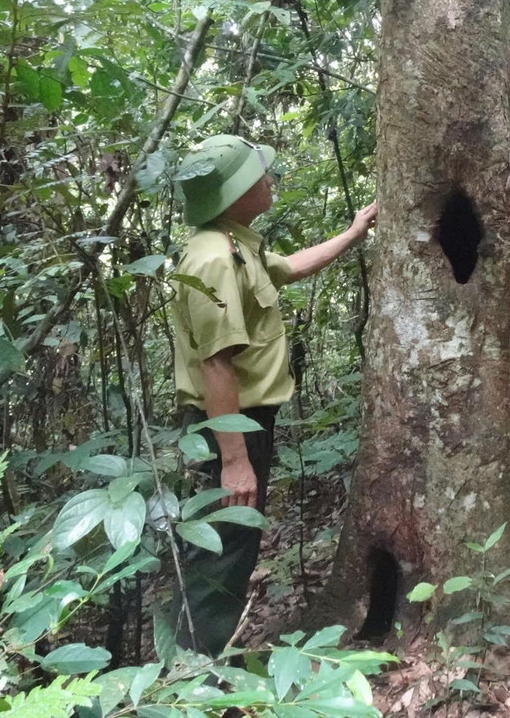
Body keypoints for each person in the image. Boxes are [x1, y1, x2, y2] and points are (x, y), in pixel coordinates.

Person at [169, 133, 377, 655]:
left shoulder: (237, 243)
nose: (268, 180)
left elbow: (291, 267)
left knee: (233, 546)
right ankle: (194, 675)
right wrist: (234, 460)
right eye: (258, 175)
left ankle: (200, 663)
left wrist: (354, 233)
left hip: (244, 423)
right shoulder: (214, 259)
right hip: (227, 428)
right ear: (235, 193)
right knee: (223, 551)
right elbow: (216, 363)